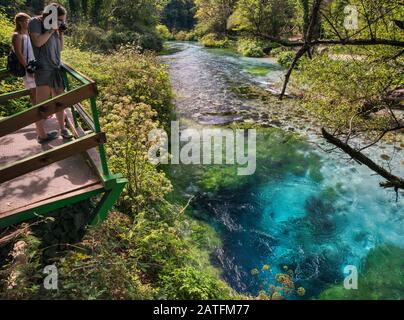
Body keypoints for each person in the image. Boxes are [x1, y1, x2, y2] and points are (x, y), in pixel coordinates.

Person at [29, 3, 73, 143]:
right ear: (51, 16)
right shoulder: (35, 22)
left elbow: (60, 49)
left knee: (59, 101)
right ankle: (41, 135)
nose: (62, 22)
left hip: (56, 68)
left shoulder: (54, 28)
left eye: (63, 20)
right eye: (60, 20)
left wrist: (60, 32)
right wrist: (51, 30)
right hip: (43, 69)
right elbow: (37, 42)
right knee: (41, 104)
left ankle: (63, 128)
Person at [12, 13, 36, 105]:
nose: (29, 23)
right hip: (27, 66)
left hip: (34, 64)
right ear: (20, 23)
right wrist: (27, 68)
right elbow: (18, 53)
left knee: (39, 88)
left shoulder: (30, 34)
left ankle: (41, 111)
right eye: (27, 21)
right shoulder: (17, 35)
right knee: (33, 90)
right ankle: (37, 112)